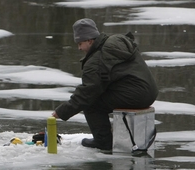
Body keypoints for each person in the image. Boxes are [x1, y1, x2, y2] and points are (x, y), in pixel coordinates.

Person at [52, 18, 158, 151]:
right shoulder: (116, 44)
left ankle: (103, 142)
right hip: (150, 92)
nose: (79, 48)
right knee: (97, 96)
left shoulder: (97, 59)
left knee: (91, 104)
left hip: (135, 96)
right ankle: (107, 138)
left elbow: (87, 93)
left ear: (90, 40)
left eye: (80, 43)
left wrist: (61, 112)